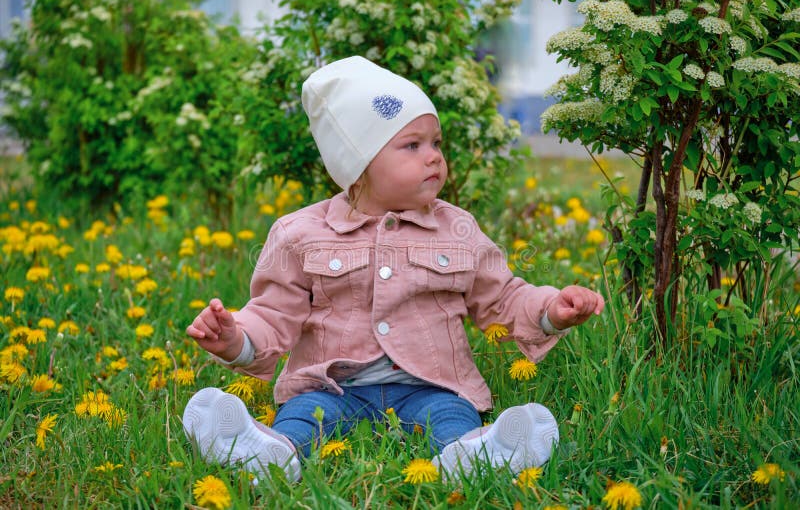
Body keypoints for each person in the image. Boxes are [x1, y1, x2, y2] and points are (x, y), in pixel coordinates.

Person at [182, 56, 605, 482]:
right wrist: (236, 338)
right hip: (333, 388)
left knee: (451, 417)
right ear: (359, 165)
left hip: (432, 385)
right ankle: (271, 452)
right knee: (304, 418)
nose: (433, 158)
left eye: (436, 143)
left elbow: (502, 297)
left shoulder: (456, 228)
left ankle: (472, 456)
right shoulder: (300, 233)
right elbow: (274, 313)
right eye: (412, 145)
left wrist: (551, 309)